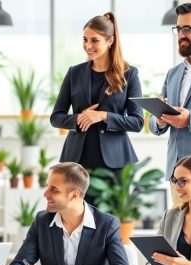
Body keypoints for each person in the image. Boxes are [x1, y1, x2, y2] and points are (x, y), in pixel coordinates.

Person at [50, 12, 143, 204]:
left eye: (94, 40)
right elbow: (56, 117)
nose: (88, 46)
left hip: (115, 163)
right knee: (76, 219)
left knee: (111, 223)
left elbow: (137, 121)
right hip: (77, 161)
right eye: (85, 39)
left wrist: (103, 116)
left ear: (110, 41)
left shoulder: (129, 74)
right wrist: (79, 118)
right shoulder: (74, 73)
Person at [7, 162, 132, 265]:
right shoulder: (42, 221)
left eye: (54, 190)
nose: (45, 194)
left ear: (74, 195)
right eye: (47, 187)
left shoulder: (107, 224)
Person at [149, 3, 191, 181]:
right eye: (178, 29)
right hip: (176, 172)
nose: (181, 35)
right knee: (177, 211)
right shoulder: (174, 73)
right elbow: (155, 123)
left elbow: (189, 118)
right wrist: (159, 120)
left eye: (187, 29)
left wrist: (190, 119)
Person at [144, 154, 191, 265]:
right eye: (175, 181)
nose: (176, 187)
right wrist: (163, 263)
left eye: (182, 181)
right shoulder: (169, 217)